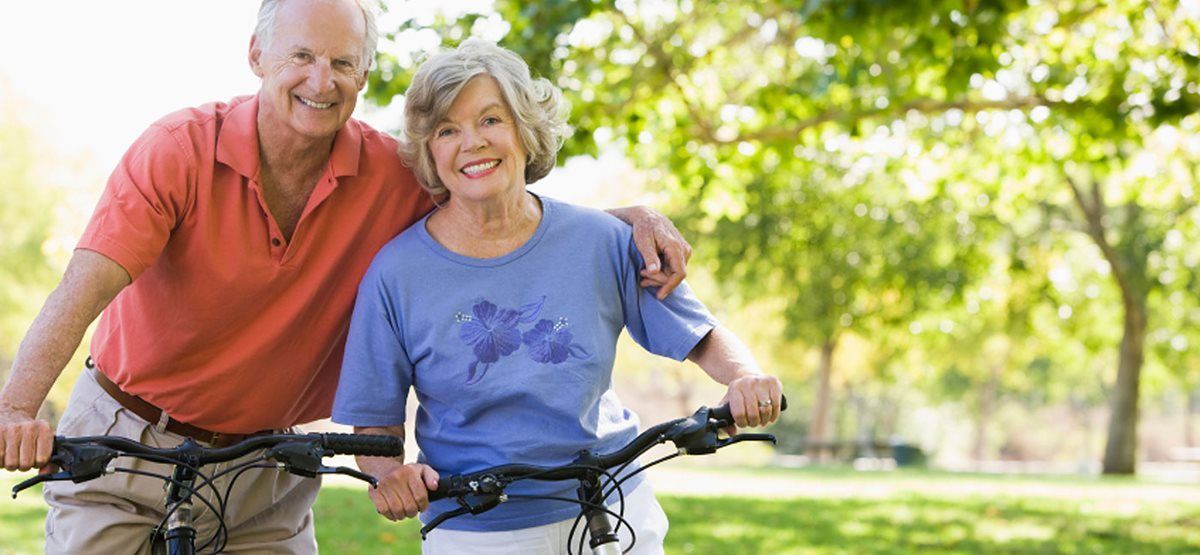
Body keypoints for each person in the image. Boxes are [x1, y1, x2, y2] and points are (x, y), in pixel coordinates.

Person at [0, 1, 692, 552]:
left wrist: (623, 220)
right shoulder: (179, 151)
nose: (320, 79)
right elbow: (83, 287)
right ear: (257, 55)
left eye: (342, 62)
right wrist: (16, 408)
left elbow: (502, 214)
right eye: (301, 55)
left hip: (267, 468)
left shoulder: (392, 175)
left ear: (363, 76)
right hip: (127, 443)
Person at [330, 39, 784, 555]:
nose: (472, 142)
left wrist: (745, 378)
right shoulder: (396, 273)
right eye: (447, 130)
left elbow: (699, 335)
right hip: (475, 525)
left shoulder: (604, 240)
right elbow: (374, 421)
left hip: (613, 507)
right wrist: (390, 473)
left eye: (491, 120)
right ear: (430, 152)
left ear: (526, 130)